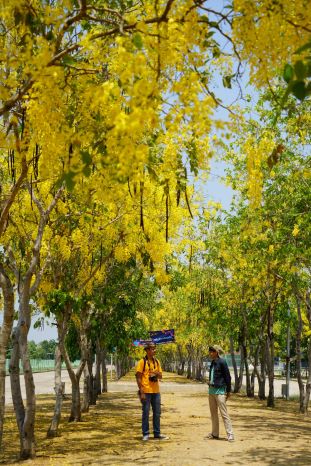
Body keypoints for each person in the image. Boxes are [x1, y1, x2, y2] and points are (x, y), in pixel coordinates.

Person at [135, 341, 169, 441]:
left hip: (156, 391)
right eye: (152, 348)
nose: (154, 350)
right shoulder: (142, 362)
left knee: (157, 413)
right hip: (146, 391)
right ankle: (145, 434)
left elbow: (161, 376)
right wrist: (141, 391)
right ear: (147, 350)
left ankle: (157, 434)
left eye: (155, 348)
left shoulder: (157, 362)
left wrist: (155, 373)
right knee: (145, 412)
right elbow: (138, 377)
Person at [207, 345, 234, 442]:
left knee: (224, 414)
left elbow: (228, 377)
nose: (210, 353)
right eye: (210, 351)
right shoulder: (212, 363)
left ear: (216, 353)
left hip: (220, 392)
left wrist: (228, 391)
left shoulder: (222, 362)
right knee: (213, 414)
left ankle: (230, 434)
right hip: (211, 391)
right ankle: (215, 433)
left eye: (212, 352)